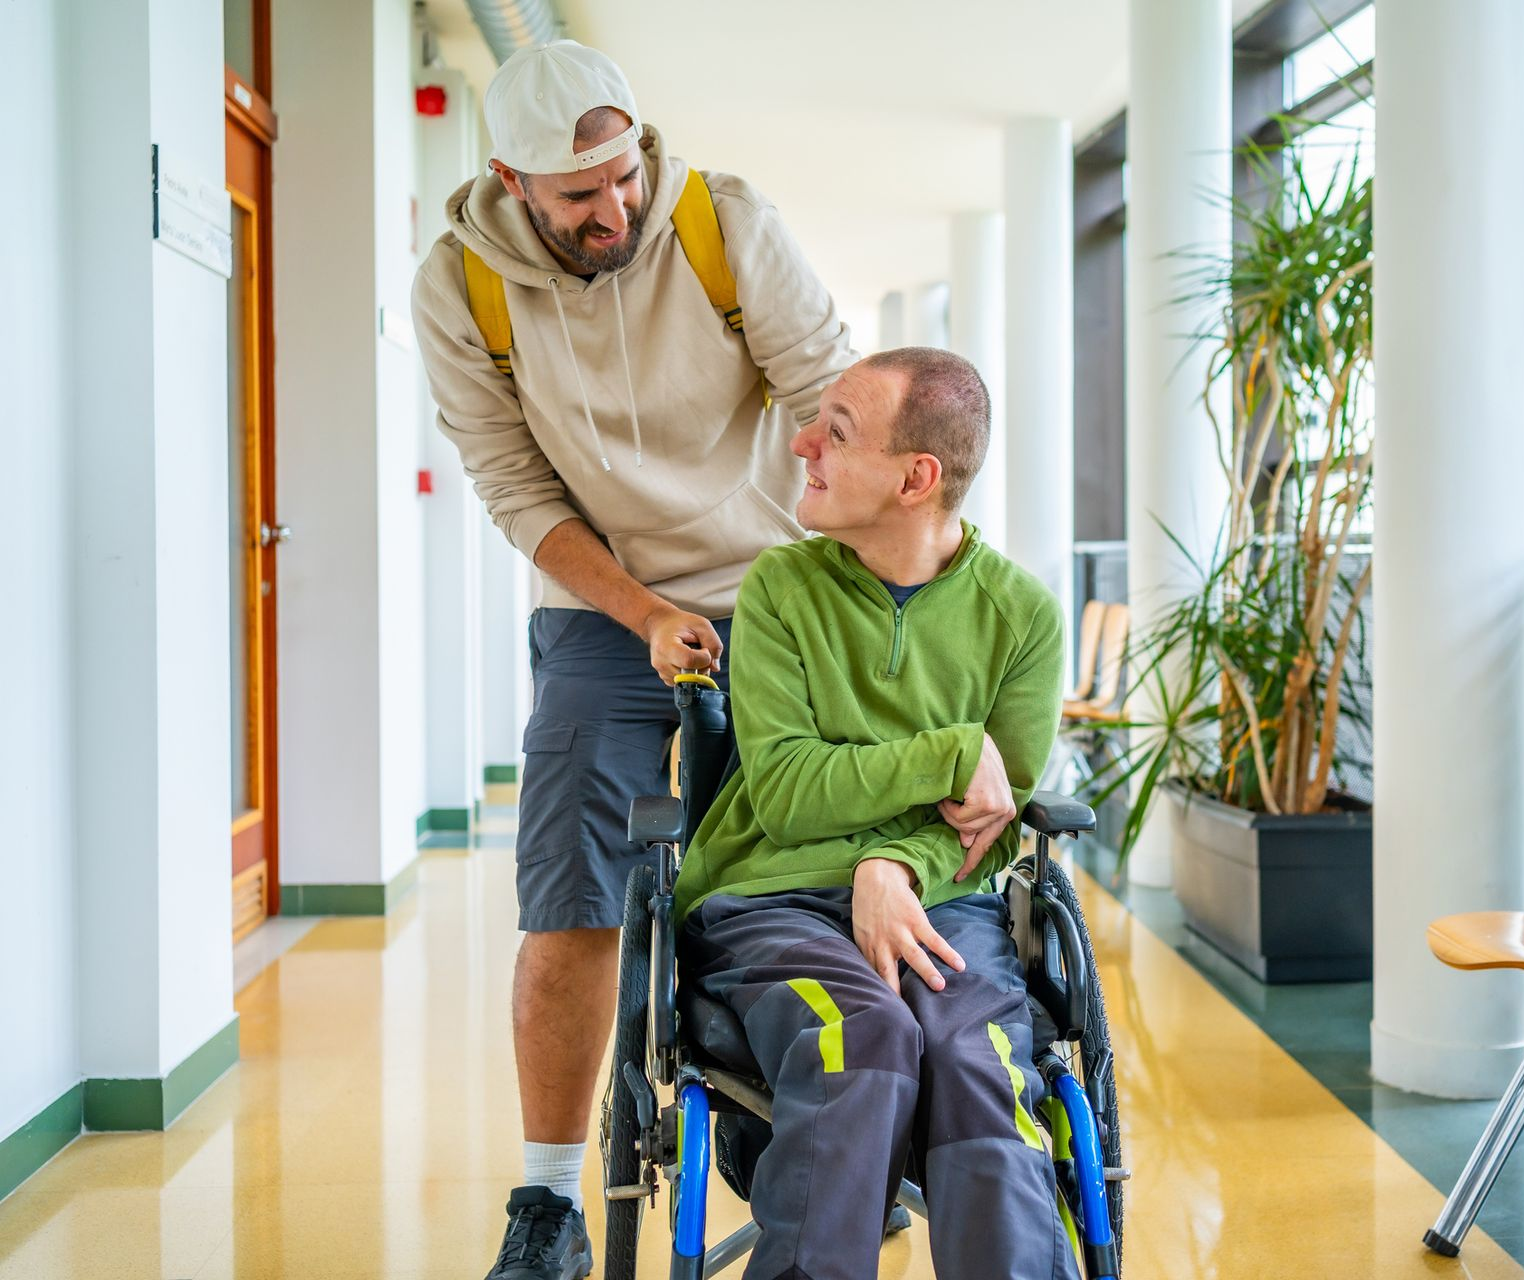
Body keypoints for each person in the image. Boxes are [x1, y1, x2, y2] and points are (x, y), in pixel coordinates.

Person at [410, 37, 855, 1280]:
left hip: (774, 587)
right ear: (512, 181)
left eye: (622, 178)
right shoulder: (461, 287)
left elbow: (830, 394)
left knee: (796, 860)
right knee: (570, 894)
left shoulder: (720, 222)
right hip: (601, 604)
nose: (613, 209)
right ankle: (547, 1200)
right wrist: (642, 611)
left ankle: (800, 1135)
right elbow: (512, 484)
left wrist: (845, 589)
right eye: (578, 195)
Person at [674, 348, 1078, 1280]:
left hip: (944, 905)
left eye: (837, 431)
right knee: (863, 1037)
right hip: (770, 901)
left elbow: (987, 824)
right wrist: (945, 752)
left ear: (916, 478)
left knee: (979, 1067)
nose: (803, 443)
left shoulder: (1021, 617)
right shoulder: (782, 588)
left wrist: (888, 868)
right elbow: (783, 790)